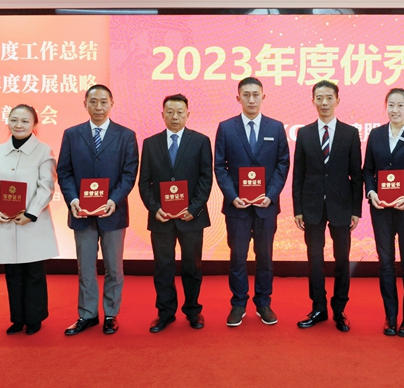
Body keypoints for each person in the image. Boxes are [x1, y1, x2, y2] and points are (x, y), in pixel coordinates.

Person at [57, 84, 139, 335]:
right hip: (81, 213)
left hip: (113, 212)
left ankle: (111, 314)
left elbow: (129, 173)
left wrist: (114, 200)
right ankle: (87, 314)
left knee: (114, 267)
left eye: (104, 102)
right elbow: (64, 171)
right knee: (85, 267)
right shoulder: (72, 134)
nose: (99, 107)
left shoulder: (126, 135)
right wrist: (73, 200)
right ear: (85, 104)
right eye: (93, 102)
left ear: (112, 104)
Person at [214, 77, 290, 327]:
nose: (251, 99)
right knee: (238, 257)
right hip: (237, 207)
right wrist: (232, 196)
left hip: (266, 206)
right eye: (246, 94)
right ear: (238, 98)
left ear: (263, 97)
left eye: (256, 94)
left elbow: (282, 164)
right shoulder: (226, 128)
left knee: (265, 257)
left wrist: (271, 194)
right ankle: (238, 304)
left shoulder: (276, 127)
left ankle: (263, 303)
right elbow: (220, 166)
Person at [0, 104, 59, 335]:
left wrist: (30, 213)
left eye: (25, 121)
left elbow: (46, 187)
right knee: (13, 273)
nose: (18, 125)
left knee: (34, 272)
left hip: (31, 223)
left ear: (35, 124)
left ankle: (34, 318)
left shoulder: (44, 151)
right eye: (14, 120)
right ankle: (17, 318)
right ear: (8, 122)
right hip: (4, 222)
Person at [139, 94, 213, 333]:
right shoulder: (150, 143)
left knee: (192, 266)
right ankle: (165, 313)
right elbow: (144, 183)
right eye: (170, 112)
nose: (175, 117)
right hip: (161, 218)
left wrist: (194, 209)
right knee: (163, 267)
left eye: (180, 112)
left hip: (191, 218)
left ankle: (193, 310)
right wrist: (155, 209)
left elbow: (206, 179)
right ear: (162, 115)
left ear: (188, 114)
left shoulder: (201, 141)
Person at [292, 80, 363, 332]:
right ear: (313, 101)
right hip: (311, 205)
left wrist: (356, 210)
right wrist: (297, 208)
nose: (324, 102)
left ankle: (339, 309)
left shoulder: (350, 133)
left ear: (337, 101)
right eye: (319, 98)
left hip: (342, 205)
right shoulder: (304, 133)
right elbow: (298, 173)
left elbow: (357, 175)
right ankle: (318, 307)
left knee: (342, 258)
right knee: (315, 259)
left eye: (329, 98)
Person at [363, 88, 404, 338]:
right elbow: (367, 170)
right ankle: (390, 316)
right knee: (385, 262)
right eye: (391, 105)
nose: (395, 110)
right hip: (381, 209)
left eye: (400, 105)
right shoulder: (376, 134)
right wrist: (371, 192)